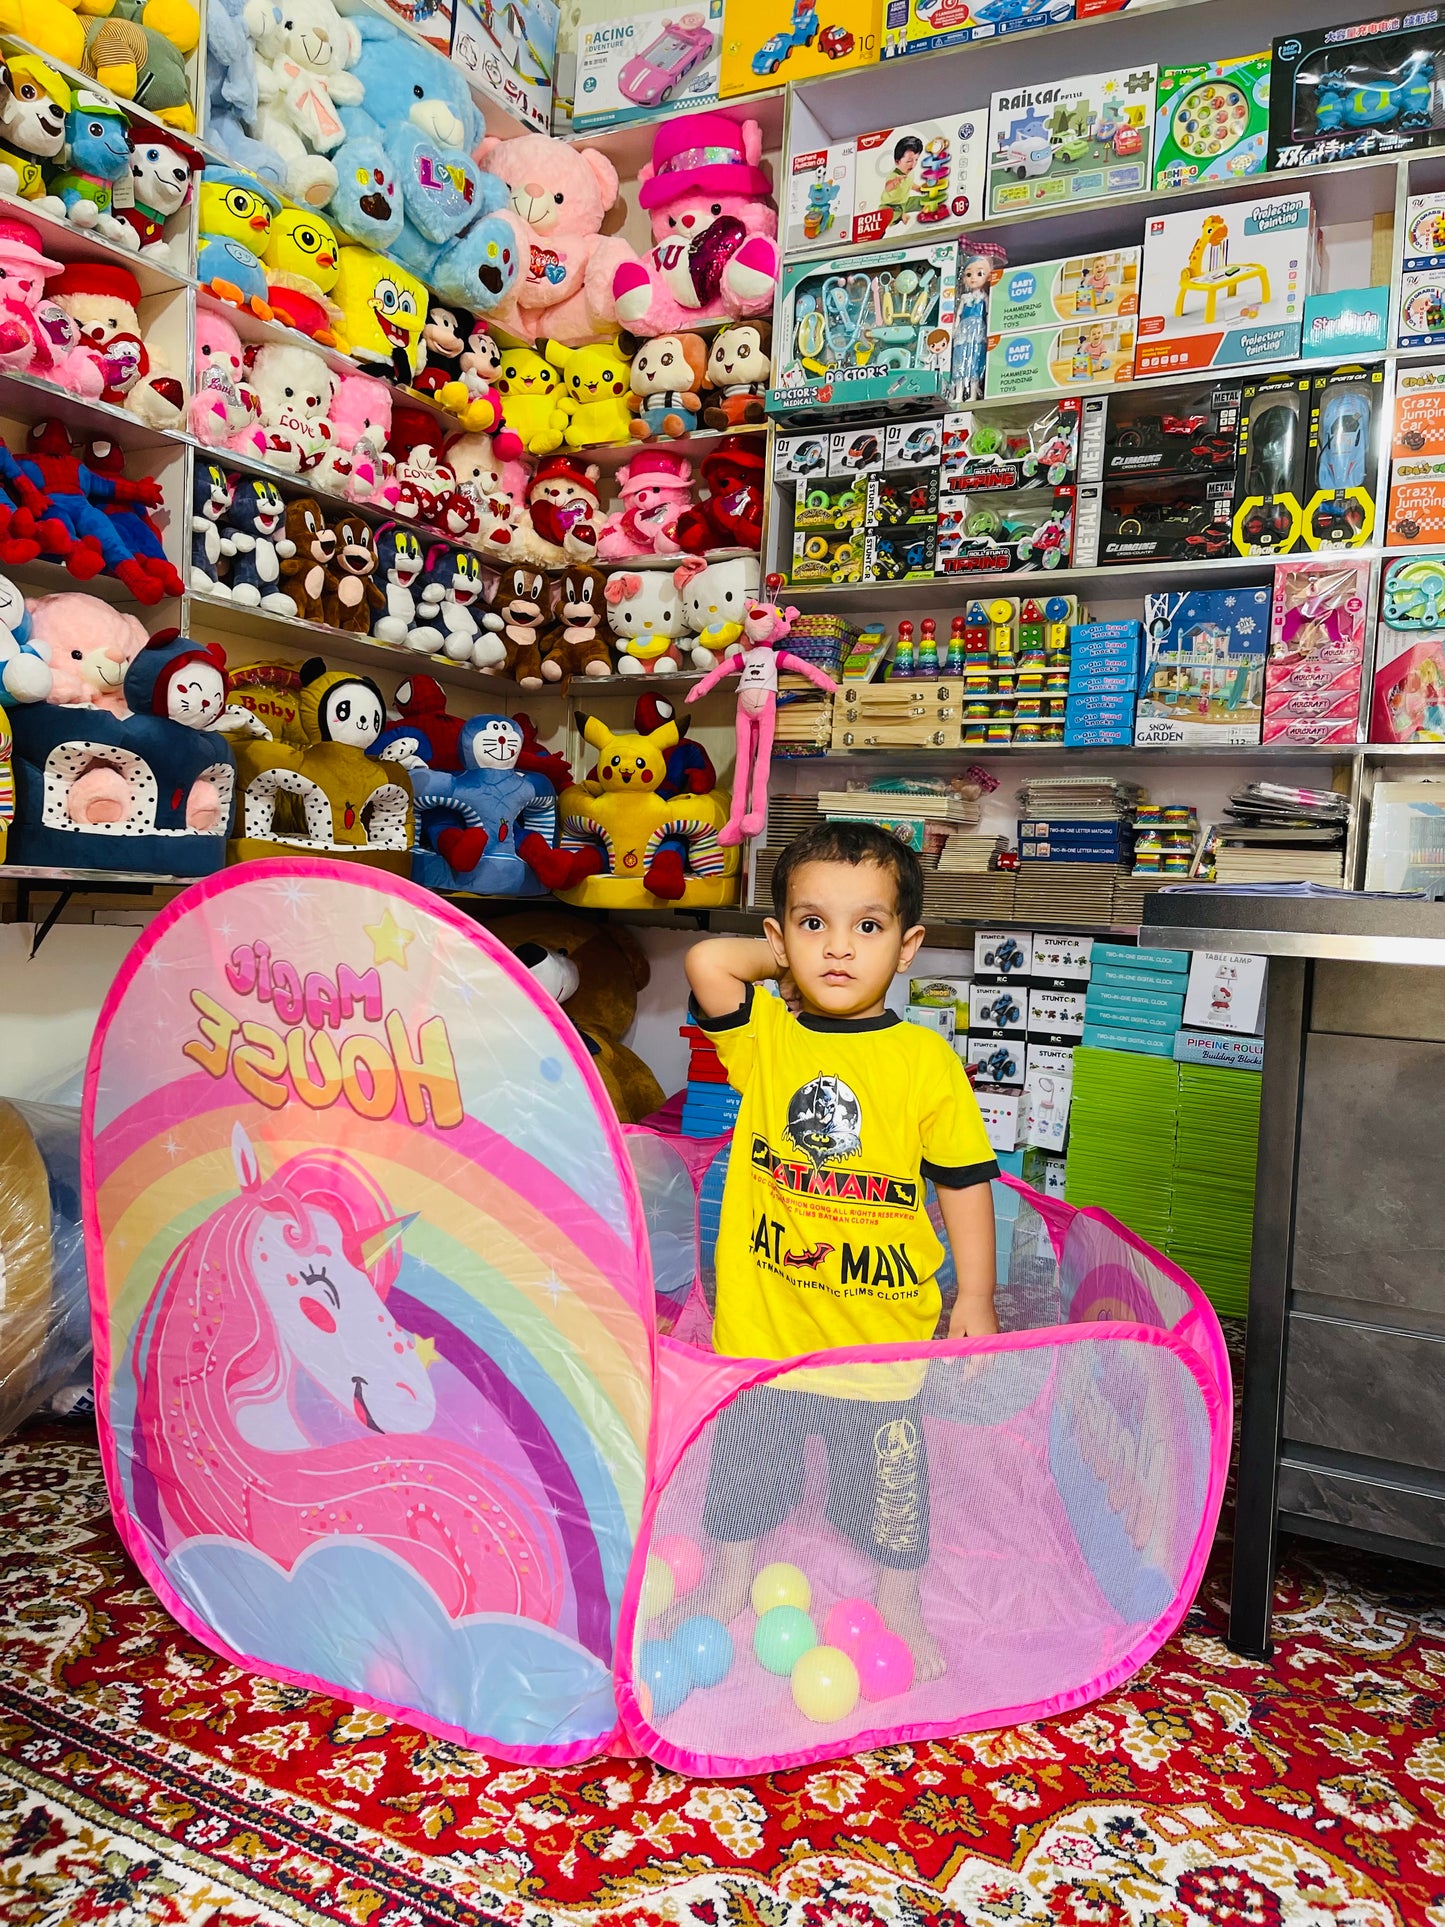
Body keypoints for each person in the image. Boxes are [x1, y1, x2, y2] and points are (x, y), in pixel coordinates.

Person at [680, 821, 998, 1681]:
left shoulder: (926, 1062)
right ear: (780, 939)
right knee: (742, 1478)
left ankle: (899, 1599)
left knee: (891, 1495)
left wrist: (973, 1297)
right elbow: (710, 966)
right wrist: (780, 954)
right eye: (813, 923)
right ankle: (728, 1578)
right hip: (767, 1332)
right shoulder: (767, 1039)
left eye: (868, 926)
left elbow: (964, 1183)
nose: (838, 947)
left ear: (908, 947)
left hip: (878, 1339)